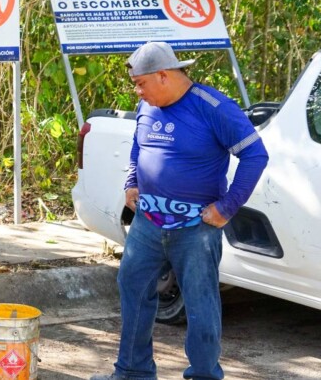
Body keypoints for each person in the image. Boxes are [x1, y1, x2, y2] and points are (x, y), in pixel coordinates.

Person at [91, 42, 269, 380]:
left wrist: (227, 208)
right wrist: (132, 182)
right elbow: (138, 146)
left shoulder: (213, 107)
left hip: (195, 228)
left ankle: (203, 375)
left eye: (141, 83)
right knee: (133, 288)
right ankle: (132, 371)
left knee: (201, 305)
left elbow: (255, 155)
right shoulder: (148, 106)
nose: (137, 91)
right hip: (147, 223)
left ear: (163, 75)